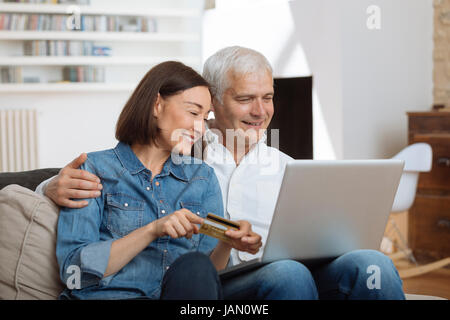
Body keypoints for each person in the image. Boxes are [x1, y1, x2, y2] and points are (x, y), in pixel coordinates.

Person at [38, 47, 405, 300]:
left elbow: (205, 262)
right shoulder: (184, 161)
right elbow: (117, 174)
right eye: (245, 99)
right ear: (214, 102)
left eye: (268, 97)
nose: (260, 111)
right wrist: (47, 186)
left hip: (285, 273)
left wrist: (229, 237)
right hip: (231, 283)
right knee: (286, 274)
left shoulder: (281, 167)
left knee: (373, 264)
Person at [53, 61, 262, 300]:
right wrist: (153, 229)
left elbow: (207, 279)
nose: (202, 129)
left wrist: (227, 241)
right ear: (157, 104)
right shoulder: (94, 170)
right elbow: (73, 274)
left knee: (286, 274)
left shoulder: (202, 178)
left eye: (205, 118)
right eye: (194, 113)